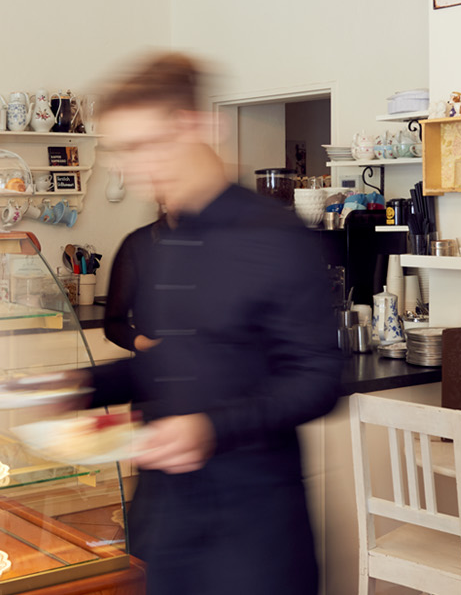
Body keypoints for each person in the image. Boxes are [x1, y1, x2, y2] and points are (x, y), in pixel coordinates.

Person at [79, 52, 345, 594]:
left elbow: (318, 378)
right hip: (163, 518)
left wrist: (210, 428)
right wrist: (81, 387)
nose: (132, 167)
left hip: (251, 531)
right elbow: (174, 361)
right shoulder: (163, 241)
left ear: (196, 126)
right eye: (121, 151)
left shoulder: (276, 235)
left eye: (144, 145)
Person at [102, 207, 167, 353]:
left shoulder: (216, 242)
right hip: (157, 363)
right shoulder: (138, 244)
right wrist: (149, 345)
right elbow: (114, 324)